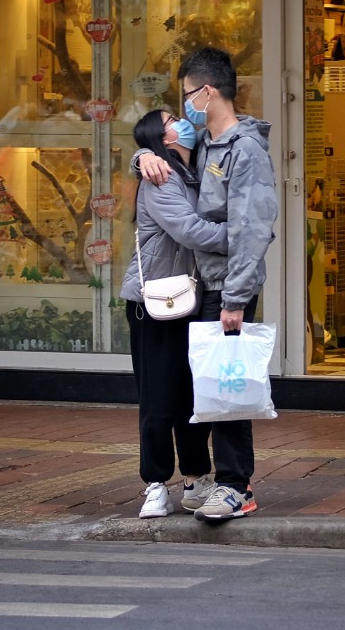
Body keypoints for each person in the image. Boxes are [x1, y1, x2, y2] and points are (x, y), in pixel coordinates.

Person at [134, 46, 278, 522]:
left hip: (226, 289)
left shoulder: (244, 149)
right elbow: (162, 156)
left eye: (186, 97)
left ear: (206, 92)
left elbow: (253, 228)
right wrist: (142, 155)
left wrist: (235, 298)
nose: (185, 108)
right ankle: (220, 480)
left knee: (230, 388)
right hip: (205, 287)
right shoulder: (209, 147)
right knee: (213, 389)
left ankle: (237, 485)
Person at [120, 109, 229, 519]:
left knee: (190, 394)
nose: (182, 121)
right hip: (157, 304)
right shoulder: (160, 178)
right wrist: (240, 235)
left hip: (191, 299)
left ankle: (197, 477)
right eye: (171, 118)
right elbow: (190, 231)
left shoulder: (192, 167)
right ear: (161, 137)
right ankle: (155, 483)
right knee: (159, 399)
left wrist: (139, 154)